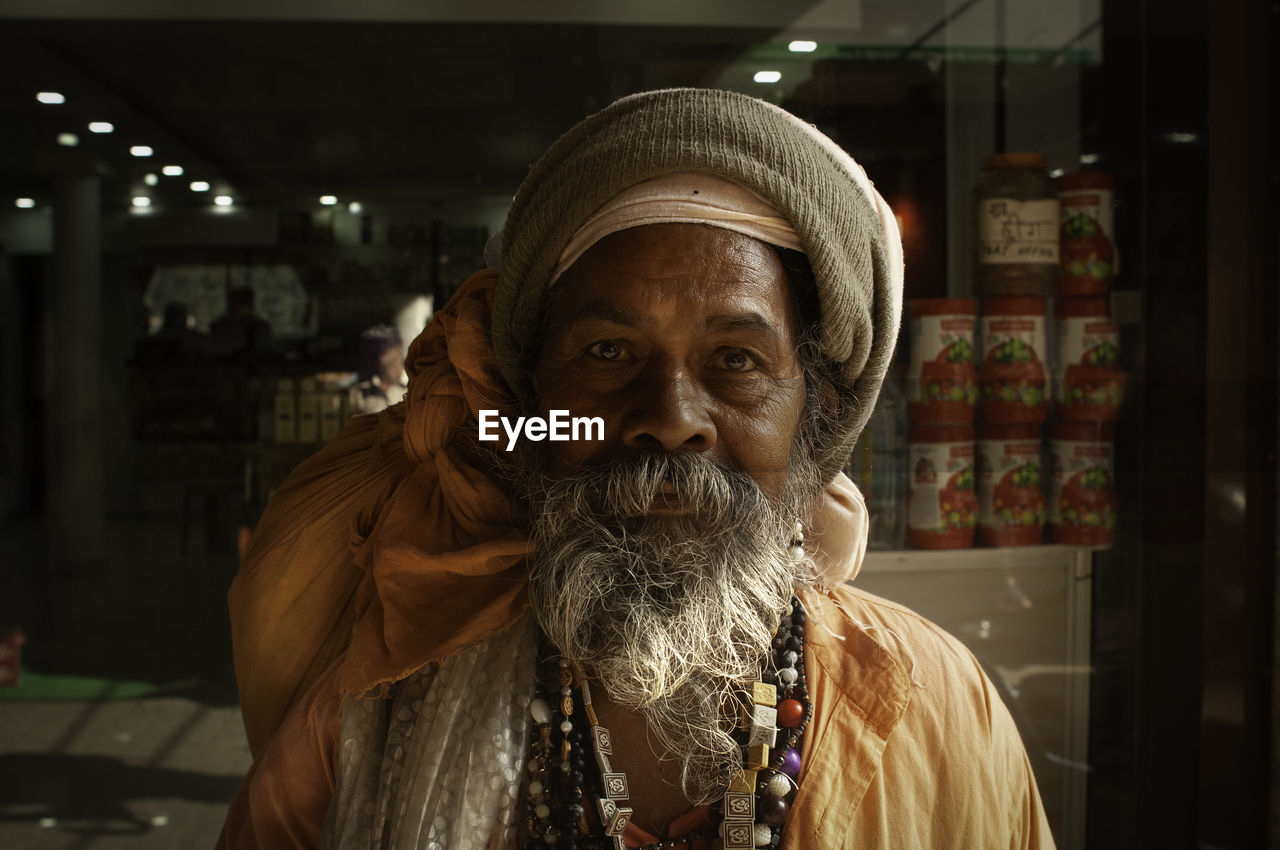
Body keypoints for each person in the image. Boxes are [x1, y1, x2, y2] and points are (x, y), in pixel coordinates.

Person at [219, 88, 1053, 849]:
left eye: (737, 359)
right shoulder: (380, 702)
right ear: (535, 397)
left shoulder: (937, 706)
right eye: (608, 351)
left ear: (818, 411)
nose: (671, 420)